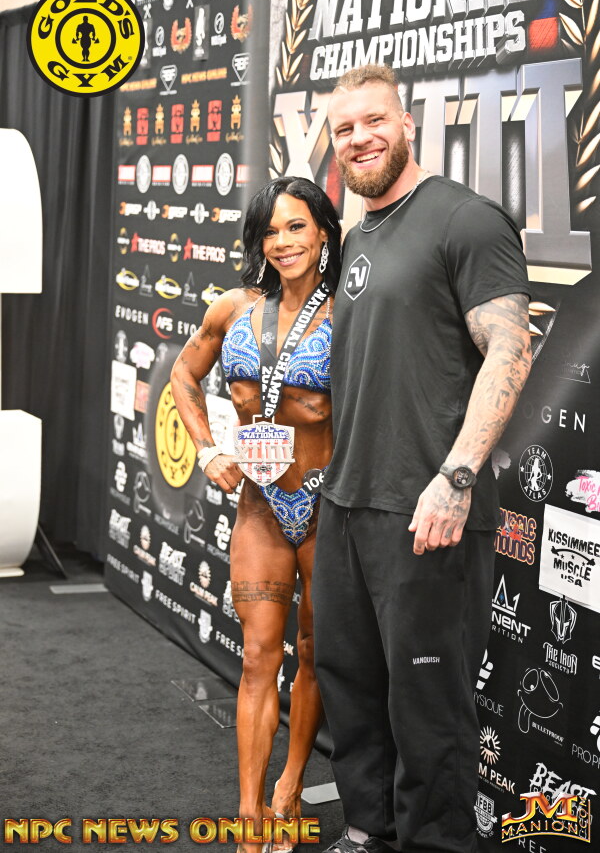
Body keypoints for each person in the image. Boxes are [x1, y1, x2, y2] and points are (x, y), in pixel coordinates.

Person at [313, 64, 532, 853]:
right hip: (348, 504)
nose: (359, 139)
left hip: (428, 509)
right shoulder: (359, 232)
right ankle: (367, 833)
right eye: (344, 129)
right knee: (352, 691)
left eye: (375, 121)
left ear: (408, 125)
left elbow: (510, 348)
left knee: (430, 713)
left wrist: (456, 478)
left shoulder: (464, 220)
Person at [170, 176, 341, 852]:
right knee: (257, 659)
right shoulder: (233, 309)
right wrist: (207, 448)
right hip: (262, 507)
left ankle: (290, 787)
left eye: (296, 227)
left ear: (323, 232)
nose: (283, 242)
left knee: (314, 654)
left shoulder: (348, 314)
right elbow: (183, 374)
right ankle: (248, 822)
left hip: (327, 506)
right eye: (270, 230)